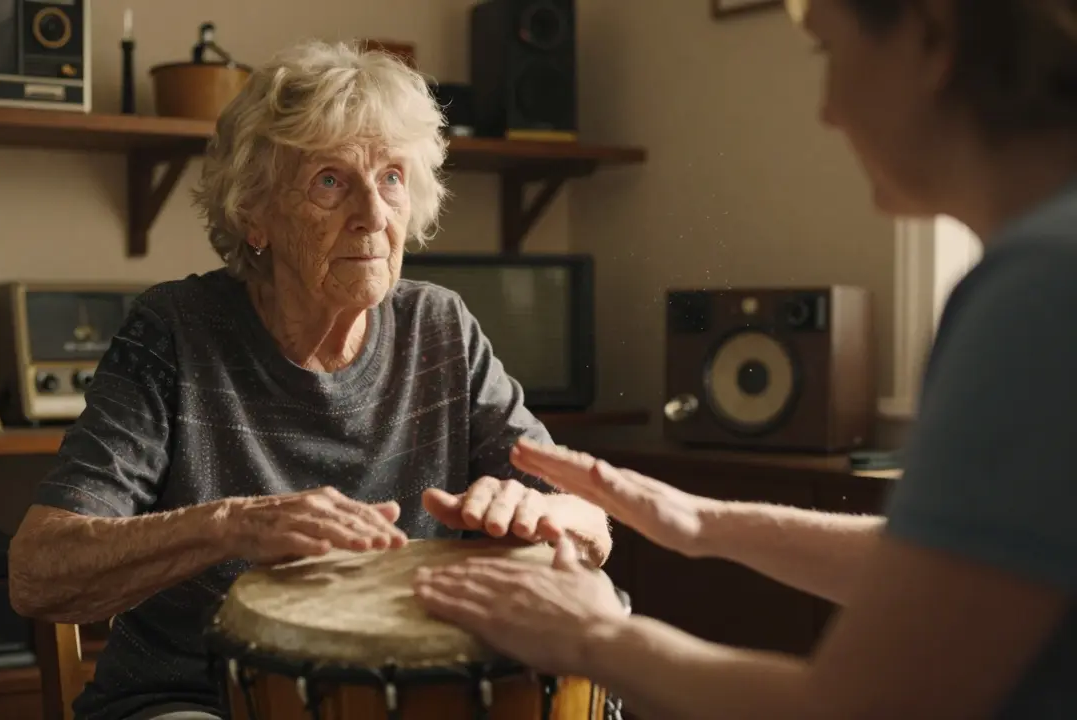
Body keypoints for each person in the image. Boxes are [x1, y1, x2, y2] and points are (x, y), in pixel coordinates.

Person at [413, 0, 1077, 717]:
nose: (827, 111)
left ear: (930, 38)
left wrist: (590, 635)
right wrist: (699, 520)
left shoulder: (1037, 290)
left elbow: (857, 708)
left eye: (826, 51)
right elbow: (954, 572)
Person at [7, 40, 610, 720]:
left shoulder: (440, 326)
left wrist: (544, 512)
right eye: (330, 180)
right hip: (194, 698)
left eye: (391, 178)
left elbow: (589, 518)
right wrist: (232, 525)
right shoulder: (175, 331)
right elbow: (37, 569)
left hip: (408, 697)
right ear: (253, 215)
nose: (374, 214)